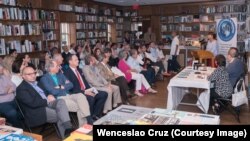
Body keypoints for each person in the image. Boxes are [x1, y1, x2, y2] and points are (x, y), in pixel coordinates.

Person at [16, 66, 73, 138]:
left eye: (34, 73)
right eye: (29, 74)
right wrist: (46, 100)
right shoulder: (21, 89)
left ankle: (68, 128)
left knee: (61, 101)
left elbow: (46, 92)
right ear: (23, 76)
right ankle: (68, 136)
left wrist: (49, 95)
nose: (33, 75)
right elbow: (33, 103)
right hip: (38, 111)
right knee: (61, 114)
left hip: (47, 104)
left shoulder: (38, 83)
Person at [40, 60, 92, 126]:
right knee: (80, 106)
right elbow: (52, 91)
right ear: (51, 68)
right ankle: (86, 124)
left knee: (80, 95)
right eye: (57, 66)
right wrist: (64, 87)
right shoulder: (44, 79)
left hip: (69, 95)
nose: (59, 67)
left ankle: (88, 119)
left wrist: (60, 86)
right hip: (59, 99)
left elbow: (71, 85)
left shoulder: (60, 74)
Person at [63, 54, 107, 119]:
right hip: (78, 93)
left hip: (86, 90)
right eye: (76, 60)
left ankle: (95, 114)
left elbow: (84, 82)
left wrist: (91, 89)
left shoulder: (79, 70)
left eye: (77, 59)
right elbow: (71, 89)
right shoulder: (66, 73)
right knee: (91, 98)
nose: (78, 61)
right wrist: (84, 92)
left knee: (104, 94)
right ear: (70, 62)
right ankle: (90, 118)